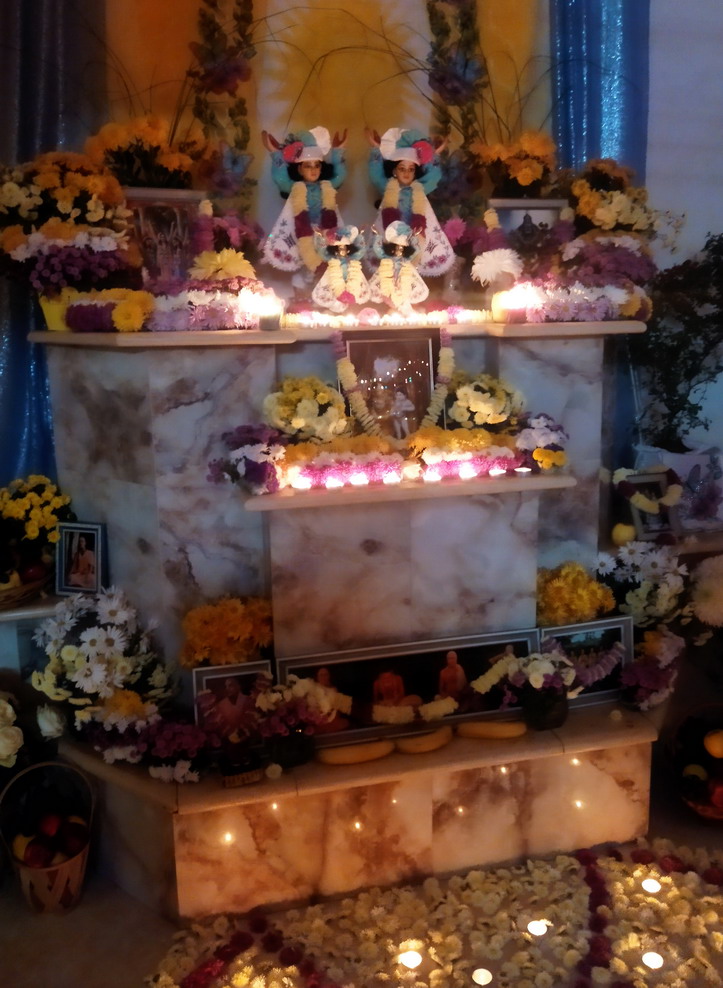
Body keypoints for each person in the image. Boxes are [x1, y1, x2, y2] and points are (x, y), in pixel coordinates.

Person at [262, 126, 346, 292]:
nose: (313, 170)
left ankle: (320, 292)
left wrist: (338, 151)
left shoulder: (327, 187)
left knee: (325, 263)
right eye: (308, 166)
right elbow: (280, 178)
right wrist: (275, 153)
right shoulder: (295, 187)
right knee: (303, 264)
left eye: (317, 165)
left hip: (324, 232)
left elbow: (340, 176)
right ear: (299, 169)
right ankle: (302, 294)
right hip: (301, 232)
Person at [367, 126, 455, 278]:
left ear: (416, 171)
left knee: (412, 266)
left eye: (411, 169)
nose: (407, 173)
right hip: (391, 233)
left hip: (415, 231)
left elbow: (434, 176)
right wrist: (376, 149)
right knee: (390, 267)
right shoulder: (388, 187)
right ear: (394, 171)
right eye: (402, 168)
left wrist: (434, 155)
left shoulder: (420, 188)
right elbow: (375, 174)